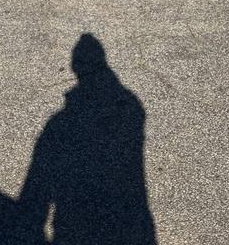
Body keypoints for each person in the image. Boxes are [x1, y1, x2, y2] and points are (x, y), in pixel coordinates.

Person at [17, 34, 157, 245]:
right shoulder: (130, 104)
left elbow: (38, 177)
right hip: (129, 217)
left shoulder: (61, 120)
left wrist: (28, 223)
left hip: (74, 222)